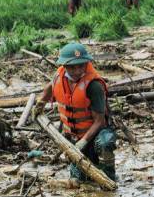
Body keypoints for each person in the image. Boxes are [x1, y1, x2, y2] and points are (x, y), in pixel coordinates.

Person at [37, 42, 117, 183]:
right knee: (77, 181)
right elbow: (50, 86)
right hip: (74, 136)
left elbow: (99, 121)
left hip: (96, 133)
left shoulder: (94, 86)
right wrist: (41, 102)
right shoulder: (59, 76)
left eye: (81, 65)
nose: (78, 70)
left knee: (105, 144)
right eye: (72, 67)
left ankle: (110, 177)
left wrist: (83, 142)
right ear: (64, 66)